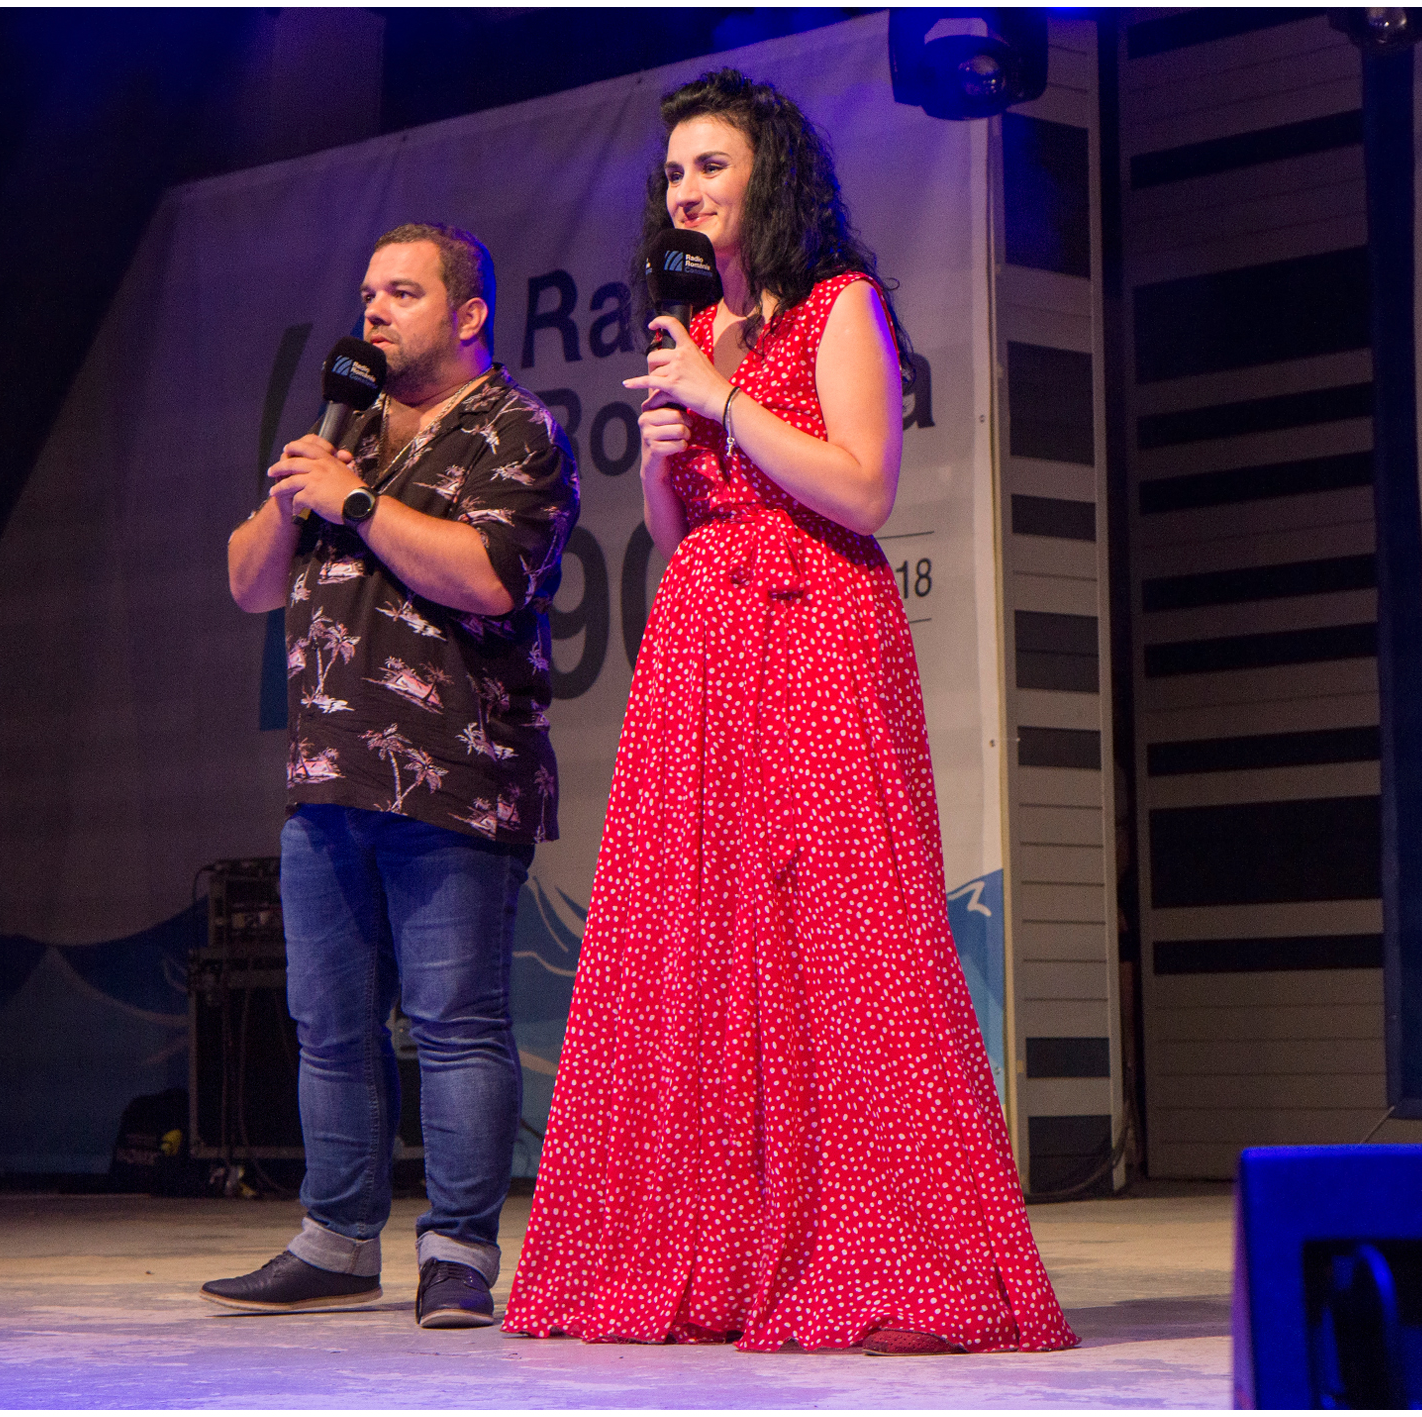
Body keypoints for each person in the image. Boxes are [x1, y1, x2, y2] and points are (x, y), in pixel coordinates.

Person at [501, 71, 1079, 1355]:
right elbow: (679, 530)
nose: (685, 190)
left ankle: (893, 1252)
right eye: (671, 173)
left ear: (770, 173)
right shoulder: (694, 330)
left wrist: (724, 403)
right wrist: (665, 460)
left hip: (815, 631)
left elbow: (863, 491)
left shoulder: (840, 304)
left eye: (709, 165)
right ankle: (716, 1256)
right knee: (703, 943)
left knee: (845, 936)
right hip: (701, 643)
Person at [209, 223, 580, 1330]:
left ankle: (458, 1252)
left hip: (455, 776)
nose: (372, 311)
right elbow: (247, 584)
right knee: (327, 1022)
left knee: (455, 1022)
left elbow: (490, 577)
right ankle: (335, 1240)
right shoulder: (347, 432)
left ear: (468, 314)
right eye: (368, 292)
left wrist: (358, 504)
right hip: (327, 774)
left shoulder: (515, 429)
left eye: (402, 293)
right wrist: (300, 491)